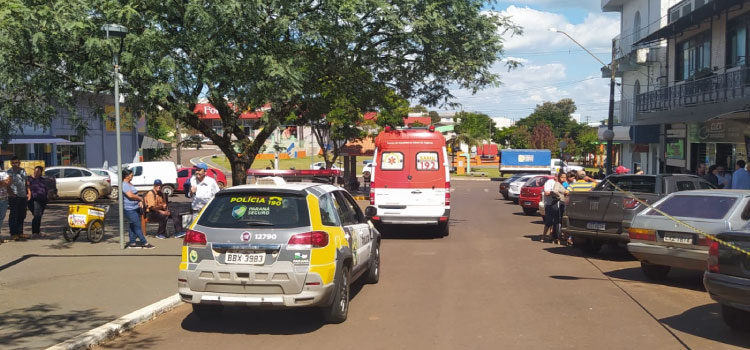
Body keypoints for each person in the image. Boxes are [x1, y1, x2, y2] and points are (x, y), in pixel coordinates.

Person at [122, 169, 154, 249]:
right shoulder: (124, 185)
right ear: (127, 176)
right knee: (137, 226)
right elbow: (130, 195)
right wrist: (140, 199)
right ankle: (144, 243)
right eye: (131, 175)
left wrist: (139, 201)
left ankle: (132, 243)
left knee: (132, 225)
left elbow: (134, 194)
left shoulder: (129, 184)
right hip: (129, 209)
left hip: (135, 207)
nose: (132, 176)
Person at [7, 157, 30, 241]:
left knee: (22, 214)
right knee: (14, 215)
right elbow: (7, 185)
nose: (15, 164)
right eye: (13, 162)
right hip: (14, 197)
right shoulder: (9, 172)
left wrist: (29, 193)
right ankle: (13, 233)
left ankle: (20, 232)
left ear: (19, 162)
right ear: (11, 163)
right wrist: (11, 194)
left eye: (16, 162)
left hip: (23, 196)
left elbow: (26, 183)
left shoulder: (22, 171)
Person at [543, 172, 569, 244]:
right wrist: (560, 196)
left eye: (565, 177)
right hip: (558, 203)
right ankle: (557, 237)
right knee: (557, 220)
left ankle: (556, 237)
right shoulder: (557, 184)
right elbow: (555, 191)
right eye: (562, 177)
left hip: (561, 203)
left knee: (558, 220)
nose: (564, 178)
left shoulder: (563, 184)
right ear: (558, 177)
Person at [26, 166, 48, 237]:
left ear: (41, 172)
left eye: (38, 171)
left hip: (42, 200)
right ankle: (35, 232)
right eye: (36, 171)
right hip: (34, 199)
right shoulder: (29, 178)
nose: (36, 172)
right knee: (36, 215)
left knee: (39, 215)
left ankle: (37, 231)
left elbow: (46, 189)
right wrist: (28, 194)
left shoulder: (42, 180)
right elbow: (27, 187)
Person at [0, 166, 9, 242]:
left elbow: (8, 182)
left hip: (3, 199)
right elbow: (4, 182)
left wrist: (3, 182)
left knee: (1, 217)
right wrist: (3, 182)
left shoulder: (4, 173)